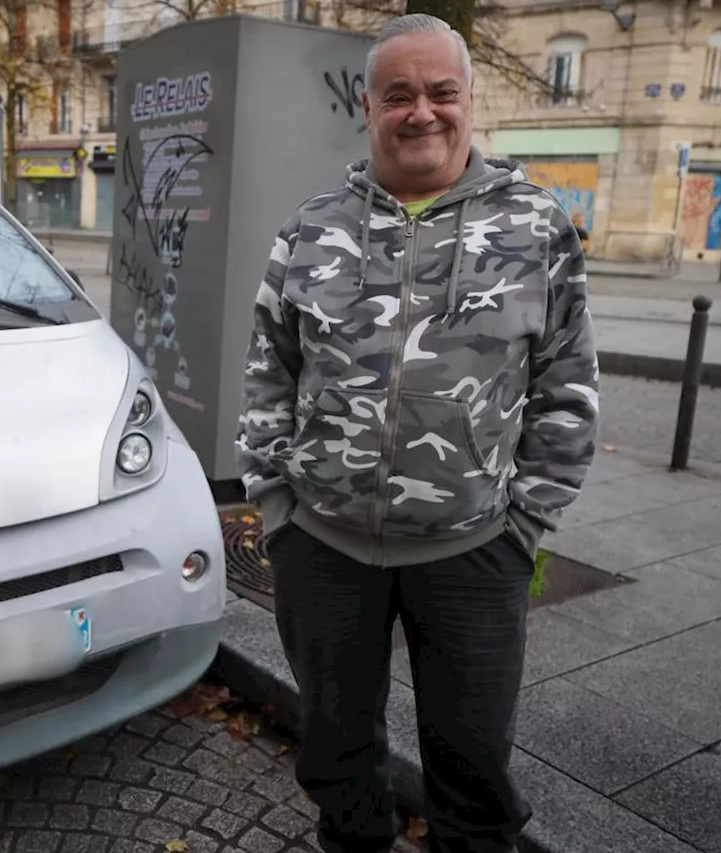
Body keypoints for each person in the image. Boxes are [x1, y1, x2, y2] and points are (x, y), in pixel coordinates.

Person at [235, 13, 598, 853]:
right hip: (321, 546)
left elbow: (567, 386)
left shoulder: (534, 227)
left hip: (473, 551)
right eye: (399, 94)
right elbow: (269, 370)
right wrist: (277, 506)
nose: (421, 112)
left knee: (472, 769)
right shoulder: (312, 228)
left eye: (442, 92)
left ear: (471, 101)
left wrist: (526, 525)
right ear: (368, 108)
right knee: (335, 751)